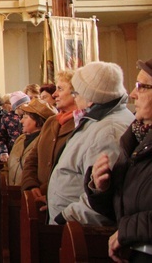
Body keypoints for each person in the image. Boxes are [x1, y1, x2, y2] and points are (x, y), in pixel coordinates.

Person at [47, 61, 134, 225]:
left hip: (78, 231)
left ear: (90, 98)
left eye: (76, 93)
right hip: (71, 226)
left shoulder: (109, 131)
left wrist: (64, 217)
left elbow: (103, 197)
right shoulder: (98, 120)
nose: (75, 97)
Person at [86, 57, 152, 262]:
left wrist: (126, 231)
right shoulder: (135, 137)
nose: (133, 94)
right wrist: (100, 188)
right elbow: (123, 207)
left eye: (142, 87)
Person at [21, 70, 78, 197]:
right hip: (37, 196)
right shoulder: (51, 122)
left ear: (75, 93)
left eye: (60, 89)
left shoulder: (81, 124)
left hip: (63, 197)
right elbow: (32, 158)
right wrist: (31, 185)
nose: (55, 94)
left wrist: (46, 192)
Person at [5, 98, 56, 186]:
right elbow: (8, 164)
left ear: (38, 120)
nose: (21, 121)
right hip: (12, 192)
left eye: (25, 117)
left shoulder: (46, 142)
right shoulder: (21, 139)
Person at [0, 91, 31, 162]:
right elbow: (2, 137)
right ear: (17, 107)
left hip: (28, 149)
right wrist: (3, 152)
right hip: (13, 152)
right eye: (24, 105)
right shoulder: (6, 118)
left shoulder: (31, 116)